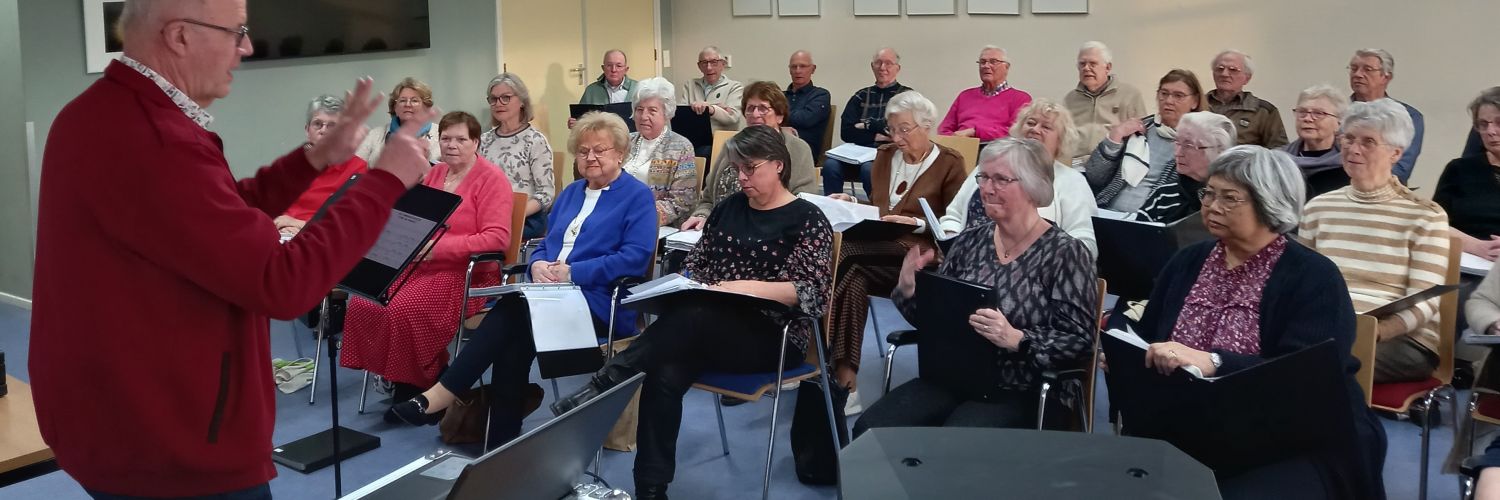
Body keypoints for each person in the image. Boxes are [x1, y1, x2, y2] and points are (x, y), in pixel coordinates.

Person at [30, 0, 433, 497]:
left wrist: (313, 161)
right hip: (173, 444)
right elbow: (283, 284)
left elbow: (216, 216)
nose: (246, 47)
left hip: (125, 422)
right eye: (237, 31)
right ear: (179, 36)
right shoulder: (154, 140)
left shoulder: (105, 112)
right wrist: (384, 182)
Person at [550, 126, 834, 500]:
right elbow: (697, 268)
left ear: (779, 165)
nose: (742, 178)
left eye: (751, 169)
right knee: (664, 370)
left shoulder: (807, 219)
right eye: (737, 170)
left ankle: (605, 382)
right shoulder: (729, 209)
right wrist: (681, 285)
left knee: (694, 314)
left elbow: (812, 293)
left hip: (772, 337)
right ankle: (651, 489)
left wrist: (739, 287)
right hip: (707, 329)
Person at [1129, 146, 1386, 500]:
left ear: (1269, 203)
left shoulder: (1314, 276)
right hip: (1190, 419)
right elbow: (1147, 336)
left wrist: (1214, 362)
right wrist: (1126, 354)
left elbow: (1305, 376)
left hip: (1288, 432)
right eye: (1209, 193)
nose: (1213, 206)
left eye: (1230, 198)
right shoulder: (1188, 260)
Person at [388, 112, 657, 445]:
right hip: (550, 298)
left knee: (514, 310)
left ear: (620, 153)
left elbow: (634, 258)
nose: (591, 157)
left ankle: (443, 395)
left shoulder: (637, 197)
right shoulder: (572, 193)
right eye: (584, 150)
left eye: (600, 150)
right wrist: (538, 266)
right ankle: (501, 439)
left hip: (600, 303)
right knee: (515, 338)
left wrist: (573, 272)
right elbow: (545, 244)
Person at [854, 137, 1097, 435]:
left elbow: (1080, 341)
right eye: (983, 177)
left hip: (1022, 386)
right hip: (957, 376)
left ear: (1034, 187)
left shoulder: (1066, 253)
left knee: (956, 446)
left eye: (1000, 179)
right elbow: (938, 324)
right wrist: (908, 291)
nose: (986, 188)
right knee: (871, 430)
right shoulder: (970, 241)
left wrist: (1018, 338)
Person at [341, 111, 515, 411]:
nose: (452, 145)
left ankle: (419, 385)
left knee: (404, 309)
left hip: (466, 272)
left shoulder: (492, 180)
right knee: (364, 302)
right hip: (420, 265)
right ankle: (400, 375)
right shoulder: (434, 174)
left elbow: (497, 239)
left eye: (461, 139)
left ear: (476, 142)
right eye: (446, 138)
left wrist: (439, 248)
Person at [827, 91, 967, 412]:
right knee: (852, 271)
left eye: (905, 129)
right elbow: (880, 210)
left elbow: (955, 224)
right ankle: (846, 380)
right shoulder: (884, 156)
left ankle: (817, 353)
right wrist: (852, 203)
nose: (897, 137)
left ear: (926, 126)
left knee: (843, 257)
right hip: (872, 252)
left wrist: (915, 222)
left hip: (919, 259)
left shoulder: (949, 163)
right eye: (892, 129)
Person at [1301, 100, 1450, 384]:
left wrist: (1370, 332)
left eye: (1369, 141)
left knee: (1318, 364)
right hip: (1328, 329)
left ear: (1396, 153)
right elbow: (1303, 284)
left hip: (1402, 339)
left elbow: (1425, 303)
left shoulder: (1425, 216)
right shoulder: (1318, 207)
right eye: (1348, 139)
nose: (1354, 149)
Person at [940, 98, 1098, 257]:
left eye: (1046, 127)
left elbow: (1085, 242)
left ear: (1061, 140)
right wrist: (952, 243)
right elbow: (953, 216)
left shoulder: (1072, 181)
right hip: (965, 263)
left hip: (1031, 271)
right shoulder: (988, 167)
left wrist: (1046, 261)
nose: (1035, 129)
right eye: (1030, 123)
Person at [683, 81, 818, 231]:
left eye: (763, 109)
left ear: (780, 116)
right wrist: (701, 216)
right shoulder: (732, 146)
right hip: (720, 228)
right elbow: (708, 197)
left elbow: (804, 201)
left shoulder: (797, 148)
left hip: (771, 231)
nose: (755, 114)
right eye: (750, 109)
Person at [1084, 69, 1208, 214]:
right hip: (1108, 210)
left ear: (1195, 101)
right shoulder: (1138, 128)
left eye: (1178, 96)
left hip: (1155, 218)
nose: (1168, 100)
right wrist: (1115, 137)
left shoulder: (1200, 141)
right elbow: (1095, 177)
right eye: (1164, 94)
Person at [823, 47, 913, 198]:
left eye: (888, 63)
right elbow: (846, 132)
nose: (882, 68)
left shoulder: (907, 96)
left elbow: (901, 133)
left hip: (890, 155)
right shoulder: (860, 96)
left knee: (868, 169)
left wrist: (866, 125)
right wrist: (878, 134)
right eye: (878, 63)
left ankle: (877, 210)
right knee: (830, 165)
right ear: (872, 66)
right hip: (857, 153)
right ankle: (832, 210)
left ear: (897, 68)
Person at [275, 94, 369, 237]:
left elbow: (347, 223)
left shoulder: (357, 168)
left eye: (331, 126)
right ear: (307, 130)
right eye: (317, 124)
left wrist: (300, 225)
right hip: (279, 235)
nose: (323, 130)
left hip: (320, 240)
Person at [480, 72, 555, 240]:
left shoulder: (535, 141)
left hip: (525, 218)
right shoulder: (484, 140)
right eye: (493, 99)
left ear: (521, 101)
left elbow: (546, 194)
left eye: (505, 97)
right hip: (489, 217)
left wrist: (514, 214)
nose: (498, 103)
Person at [1134, 111, 1237, 223]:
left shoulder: (1236, 198)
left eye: (1188, 145)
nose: (1177, 153)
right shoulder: (1164, 195)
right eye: (1177, 142)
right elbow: (1138, 237)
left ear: (1219, 150)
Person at [1435, 87, 1500, 262]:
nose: (1490, 131)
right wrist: (1478, 247)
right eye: (1483, 124)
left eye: (1498, 122)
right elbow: (1434, 224)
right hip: (1466, 264)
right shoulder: (1458, 170)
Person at [624, 77, 699, 228]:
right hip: (618, 219)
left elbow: (682, 201)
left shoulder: (680, 147)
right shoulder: (626, 141)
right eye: (639, 109)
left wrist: (640, 216)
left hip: (654, 226)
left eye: (652, 110)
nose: (644, 116)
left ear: (667, 114)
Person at [1348, 48, 1424, 184]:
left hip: (1386, 193)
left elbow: (1402, 168)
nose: (1358, 74)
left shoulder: (1407, 116)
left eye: (1367, 69)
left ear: (1386, 77)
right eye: (1354, 69)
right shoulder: (1336, 113)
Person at [1065, 41, 1148, 159]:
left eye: (1093, 64)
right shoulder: (1070, 99)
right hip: (1076, 165)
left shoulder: (1130, 95)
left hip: (1112, 164)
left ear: (1108, 67)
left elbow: (1141, 134)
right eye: (1082, 64)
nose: (1086, 68)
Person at [938, 45, 1032, 143]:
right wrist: (953, 140)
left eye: (993, 62)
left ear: (1006, 67)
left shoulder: (1021, 99)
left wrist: (975, 132)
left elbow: (1016, 133)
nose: (986, 66)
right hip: (962, 149)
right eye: (982, 62)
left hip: (998, 151)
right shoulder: (964, 96)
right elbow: (944, 130)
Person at [1206, 50, 1287, 149]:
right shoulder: (1197, 103)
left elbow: (1279, 151)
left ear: (1247, 78)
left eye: (1233, 70)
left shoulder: (1264, 111)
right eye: (1220, 68)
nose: (1224, 74)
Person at [1281, 84, 1349, 199]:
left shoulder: (1349, 165)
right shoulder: (1279, 161)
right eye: (1302, 112)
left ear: (1339, 122)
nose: (1307, 119)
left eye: (1318, 113)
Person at [356, 77, 441, 164]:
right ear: (394, 107)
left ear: (426, 107)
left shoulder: (440, 134)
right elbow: (355, 167)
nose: (408, 104)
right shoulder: (375, 134)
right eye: (402, 100)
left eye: (414, 101)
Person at [681, 45, 745, 157]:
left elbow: (733, 117)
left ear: (723, 64)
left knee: (702, 152)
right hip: (693, 139)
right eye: (704, 63)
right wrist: (720, 108)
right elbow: (682, 114)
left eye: (714, 62)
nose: (709, 67)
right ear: (699, 66)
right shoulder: (690, 85)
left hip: (721, 142)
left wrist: (710, 109)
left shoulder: (735, 87)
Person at [785, 50, 831, 160]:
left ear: (813, 69)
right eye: (794, 67)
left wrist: (777, 116)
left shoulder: (821, 95)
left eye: (803, 66)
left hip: (804, 152)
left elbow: (805, 119)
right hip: (776, 145)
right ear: (789, 70)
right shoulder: (780, 96)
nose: (798, 71)